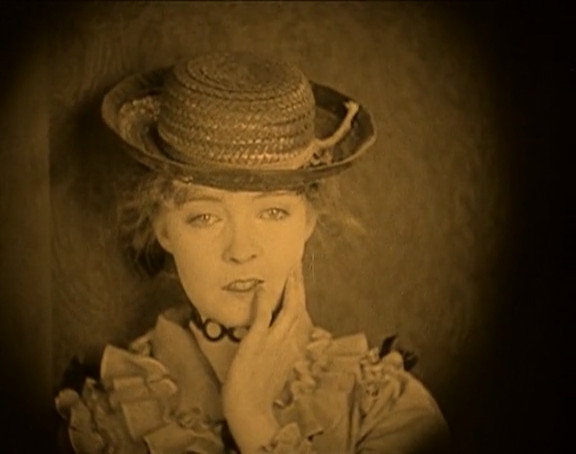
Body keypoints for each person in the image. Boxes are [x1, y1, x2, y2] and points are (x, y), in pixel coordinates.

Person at [55, 51, 450, 454]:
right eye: (205, 217)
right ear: (163, 228)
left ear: (308, 221)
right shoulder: (101, 419)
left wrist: (253, 418)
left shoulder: (384, 406)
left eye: (273, 212)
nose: (241, 251)